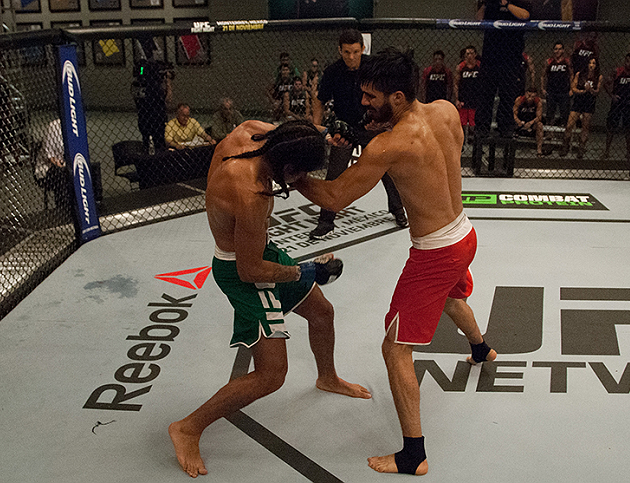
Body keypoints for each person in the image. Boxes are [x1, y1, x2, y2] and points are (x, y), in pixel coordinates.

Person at [293, 48, 497, 477]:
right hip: (464, 233)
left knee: (395, 347)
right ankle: (482, 348)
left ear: (399, 97)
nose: (364, 103)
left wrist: (290, 172)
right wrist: (365, 140)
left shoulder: (389, 145)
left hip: (436, 252)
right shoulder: (444, 111)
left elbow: (334, 197)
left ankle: (413, 454)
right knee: (450, 296)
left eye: (371, 97)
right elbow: (415, 156)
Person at [168, 120, 371, 478]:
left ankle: (328, 377)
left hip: (261, 251)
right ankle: (188, 427)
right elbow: (250, 271)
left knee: (322, 312)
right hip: (242, 270)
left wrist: (323, 134)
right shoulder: (252, 194)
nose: (299, 182)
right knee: (272, 374)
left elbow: (291, 130)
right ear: (288, 169)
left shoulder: (250, 133)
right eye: (300, 175)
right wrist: (306, 271)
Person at [309, 29, 407, 240]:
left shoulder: (373, 67)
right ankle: (326, 221)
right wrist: (315, 127)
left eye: (355, 51)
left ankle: (398, 210)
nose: (351, 57)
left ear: (363, 48)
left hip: (372, 124)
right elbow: (320, 100)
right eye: (346, 52)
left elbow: (390, 95)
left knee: (387, 169)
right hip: (345, 128)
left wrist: (383, 121)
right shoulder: (333, 71)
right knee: (334, 174)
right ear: (340, 50)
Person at [475, 0, 532, 137]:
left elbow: (525, 15)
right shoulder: (490, 3)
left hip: (511, 58)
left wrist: (507, 5)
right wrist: (484, 4)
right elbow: (478, 19)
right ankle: (482, 128)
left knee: (507, 95)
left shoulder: (521, 1)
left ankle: (505, 127)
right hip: (490, 56)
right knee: (485, 95)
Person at [602, 53, 630, 160]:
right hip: (617, 103)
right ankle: (606, 151)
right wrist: (612, 95)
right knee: (611, 127)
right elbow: (606, 83)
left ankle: (628, 152)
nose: (629, 64)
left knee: (629, 129)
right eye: (627, 61)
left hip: (629, 104)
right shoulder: (618, 71)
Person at [561, 57, 602, 158]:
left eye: (594, 63)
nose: (591, 65)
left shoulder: (598, 76)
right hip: (578, 100)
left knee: (585, 126)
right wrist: (583, 91)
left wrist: (591, 90)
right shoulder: (579, 74)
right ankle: (565, 145)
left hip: (589, 101)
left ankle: (581, 147)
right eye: (590, 63)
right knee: (569, 125)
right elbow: (573, 88)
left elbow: (597, 91)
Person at [34, 118, 72, 211]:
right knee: (61, 172)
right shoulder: (54, 126)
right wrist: (61, 164)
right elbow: (50, 156)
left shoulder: (75, 127)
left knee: (92, 167)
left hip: (67, 163)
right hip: (48, 167)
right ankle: (63, 207)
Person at [541, 41, 573, 130]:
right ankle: (549, 134)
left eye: (559, 49)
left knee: (565, 114)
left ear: (563, 50)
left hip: (564, 91)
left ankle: (564, 137)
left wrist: (571, 89)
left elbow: (571, 75)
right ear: (553, 50)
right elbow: (542, 75)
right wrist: (542, 88)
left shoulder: (567, 61)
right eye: (556, 49)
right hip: (551, 91)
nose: (557, 51)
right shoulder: (549, 61)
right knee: (550, 113)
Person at [453, 46, 481, 145]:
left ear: (475, 54)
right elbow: (456, 83)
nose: (469, 55)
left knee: (474, 123)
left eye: (472, 53)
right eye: (467, 53)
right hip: (464, 97)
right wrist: (457, 99)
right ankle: (462, 143)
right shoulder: (460, 67)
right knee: (462, 123)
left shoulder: (479, 66)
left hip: (476, 98)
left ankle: (474, 141)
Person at [513, 87, 544, 156]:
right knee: (513, 122)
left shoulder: (538, 101)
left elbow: (539, 117)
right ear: (526, 94)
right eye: (529, 96)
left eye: (533, 97)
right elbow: (514, 114)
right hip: (520, 121)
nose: (530, 98)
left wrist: (531, 122)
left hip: (531, 122)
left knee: (540, 125)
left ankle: (539, 150)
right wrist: (519, 121)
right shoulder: (519, 100)